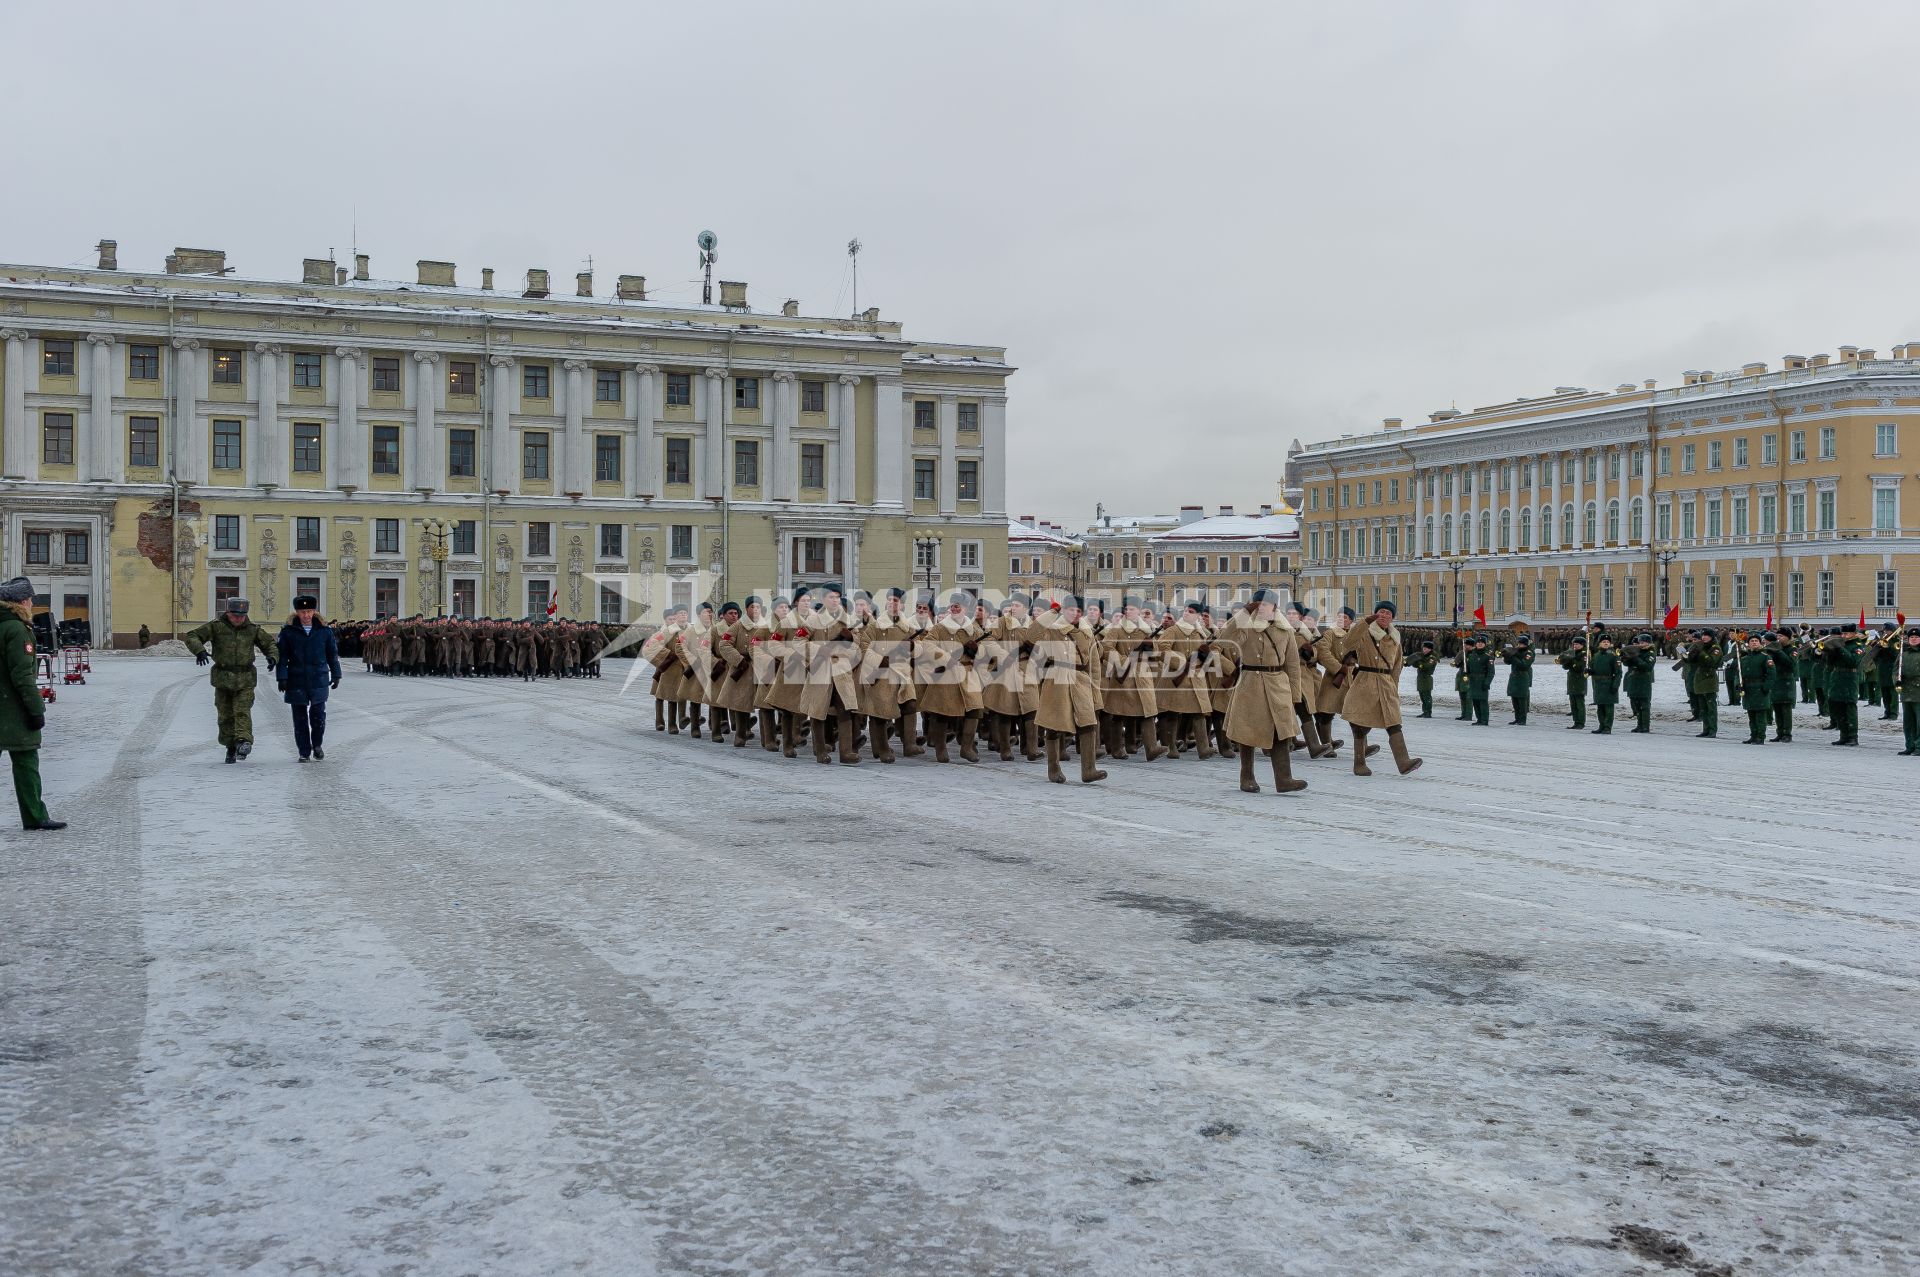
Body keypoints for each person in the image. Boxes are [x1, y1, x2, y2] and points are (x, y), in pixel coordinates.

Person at [1220, 588, 1307, 794]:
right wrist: (1243, 613)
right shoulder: (1245, 627)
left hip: (1278, 683)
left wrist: (1295, 694)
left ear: (1274, 607)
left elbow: (1293, 664)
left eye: (1265, 604)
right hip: (1250, 683)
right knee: (1247, 732)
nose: (1261, 608)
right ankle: (1247, 776)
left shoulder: (1285, 630)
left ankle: (1284, 779)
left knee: (1280, 732)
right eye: (1257, 604)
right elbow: (1224, 640)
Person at [183, 596, 280, 763]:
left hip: (245, 678)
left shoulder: (252, 629)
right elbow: (192, 636)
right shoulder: (216, 627)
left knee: (242, 710)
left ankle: (243, 742)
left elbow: (270, 644)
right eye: (235, 615)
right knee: (225, 714)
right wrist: (199, 651)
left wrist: (272, 657)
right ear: (227, 612)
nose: (238, 619)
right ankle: (230, 746)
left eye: (242, 616)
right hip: (223, 678)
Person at [0, 577, 63, 830]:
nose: (32, 603)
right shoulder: (16, 629)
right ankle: (35, 816)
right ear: (20, 602)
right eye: (30, 599)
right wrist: (36, 709)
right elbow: (22, 675)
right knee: (26, 763)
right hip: (13, 710)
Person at [1336, 600, 1421, 776]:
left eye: (1388, 613)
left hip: (1386, 682)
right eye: (1381, 612)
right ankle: (1359, 763)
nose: (1384, 615)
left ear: (1392, 618)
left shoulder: (1395, 638)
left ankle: (1404, 762)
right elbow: (1348, 643)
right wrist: (1364, 622)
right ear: (1375, 614)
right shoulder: (1364, 633)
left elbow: (1397, 666)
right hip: (1365, 682)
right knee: (1360, 724)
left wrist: (1394, 687)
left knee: (1394, 722)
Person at [1031, 595, 1106, 784]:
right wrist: (1052, 612)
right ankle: (1053, 768)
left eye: (1078, 611)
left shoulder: (1087, 632)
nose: (1075, 613)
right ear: (1064, 610)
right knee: (1055, 726)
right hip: (1058, 679)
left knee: (1088, 724)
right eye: (1071, 609)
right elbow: (1032, 635)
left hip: (1081, 680)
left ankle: (1089, 770)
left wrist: (1095, 689)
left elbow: (1094, 663)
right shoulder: (1053, 630)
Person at [276, 594, 342, 761]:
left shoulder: (324, 632)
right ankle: (304, 752)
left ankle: (317, 744)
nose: (306, 615)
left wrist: (336, 674)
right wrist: (282, 677)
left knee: (318, 715)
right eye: (302, 611)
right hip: (296, 678)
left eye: (309, 611)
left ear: (314, 612)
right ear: (297, 612)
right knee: (299, 718)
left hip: (318, 678)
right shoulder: (288, 632)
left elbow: (332, 655)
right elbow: (282, 657)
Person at [1824, 622, 1863, 746]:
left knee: (1849, 707)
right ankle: (1843, 735)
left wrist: (1840, 648)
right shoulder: (1841, 643)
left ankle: (1852, 736)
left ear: (1854, 634)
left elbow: (1852, 661)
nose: (1844, 636)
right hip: (1837, 677)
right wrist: (1829, 651)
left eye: (1847, 633)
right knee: (1837, 706)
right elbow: (1829, 663)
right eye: (1843, 633)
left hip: (1850, 678)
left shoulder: (1858, 646)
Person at [1737, 633, 1774, 745]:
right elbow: (1738, 674)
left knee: (1760, 715)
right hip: (1748, 689)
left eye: (1756, 641)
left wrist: (1766, 687)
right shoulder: (1744, 659)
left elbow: (1771, 674)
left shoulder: (1765, 657)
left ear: (1760, 643)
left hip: (1759, 688)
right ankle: (1753, 735)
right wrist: (1738, 685)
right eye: (1752, 641)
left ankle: (1760, 736)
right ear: (1748, 644)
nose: (1754, 643)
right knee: (1751, 714)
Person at [1765, 630, 1798, 742]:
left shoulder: (1792, 649)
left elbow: (1790, 664)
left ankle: (1787, 733)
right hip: (1776, 680)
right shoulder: (1774, 648)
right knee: (1777, 708)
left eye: (1781, 636)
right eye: (1777, 635)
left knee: (1785, 709)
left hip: (1786, 681)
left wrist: (1779, 651)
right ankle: (1779, 732)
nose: (1778, 638)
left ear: (1788, 638)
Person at [1623, 632, 1657, 733]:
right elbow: (1626, 664)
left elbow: (1647, 667)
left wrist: (1635, 658)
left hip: (1643, 680)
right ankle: (1639, 725)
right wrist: (1627, 656)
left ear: (1648, 643)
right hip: (1634, 680)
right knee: (1636, 703)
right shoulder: (1637, 651)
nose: (1641, 644)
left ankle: (1645, 726)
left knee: (1644, 705)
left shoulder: (1650, 653)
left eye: (1644, 642)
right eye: (1640, 642)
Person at [1588, 632, 1622, 734]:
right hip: (1598, 683)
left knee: (1608, 707)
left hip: (1608, 683)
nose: (1606, 643)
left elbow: (1618, 672)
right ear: (1600, 643)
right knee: (1600, 706)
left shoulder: (1613, 655)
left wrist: (1615, 685)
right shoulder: (1596, 655)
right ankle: (1601, 725)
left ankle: (1607, 727)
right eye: (1604, 642)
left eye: (1608, 642)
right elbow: (1593, 668)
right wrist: (1589, 671)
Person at [1502, 631, 1535, 725]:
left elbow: (1524, 665)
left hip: (1522, 677)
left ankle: (1522, 719)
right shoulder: (1516, 650)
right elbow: (1508, 662)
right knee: (1515, 699)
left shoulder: (1529, 653)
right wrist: (1506, 656)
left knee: (1522, 700)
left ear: (1525, 644)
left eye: (1521, 643)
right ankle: (1517, 718)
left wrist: (1513, 657)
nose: (1519, 645)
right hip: (1514, 677)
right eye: (1518, 643)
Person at [1897, 626, 1920, 756]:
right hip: (1906, 691)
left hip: (1918, 691)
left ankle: (1919, 747)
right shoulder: (1903, 653)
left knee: (1919, 722)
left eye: (1917, 637)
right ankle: (1910, 745)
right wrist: (1897, 679)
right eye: (1912, 637)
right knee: (1908, 722)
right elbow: (1896, 669)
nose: (1914, 639)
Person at [1557, 638, 1589, 730]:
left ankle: (1581, 722)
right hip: (1571, 680)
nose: (1575, 646)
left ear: (1582, 645)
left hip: (1579, 679)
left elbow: (1579, 666)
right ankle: (1576, 721)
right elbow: (1566, 667)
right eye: (1574, 644)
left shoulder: (1584, 654)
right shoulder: (1572, 652)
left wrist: (1572, 660)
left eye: (1578, 644)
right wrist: (1565, 660)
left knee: (1579, 702)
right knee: (1573, 703)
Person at [1464, 633, 1495, 726]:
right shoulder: (1471, 655)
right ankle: (1479, 719)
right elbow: (1468, 667)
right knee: (1475, 701)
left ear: (1485, 644)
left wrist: (1487, 682)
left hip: (1482, 680)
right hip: (1473, 681)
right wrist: (1466, 672)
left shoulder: (1488, 656)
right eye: (1478, 642)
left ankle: (1484, 720)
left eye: (1482, 642)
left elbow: (1491, 672)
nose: (1480, 644)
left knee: (1483, 701)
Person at [1411, 640, 1438, 718]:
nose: (1424, 650)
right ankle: (1425, 711)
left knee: (1427, 696)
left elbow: (1427, 666)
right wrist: (1414, 661)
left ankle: (1428, 712)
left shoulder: (1432, 657)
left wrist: (1419, 663)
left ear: (1430, 649)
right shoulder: (1423, 656)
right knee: (1422, 696)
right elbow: (1416, 665)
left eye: (1425, 649)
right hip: (1420, 678)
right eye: (1423, 648)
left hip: (1426, 678)